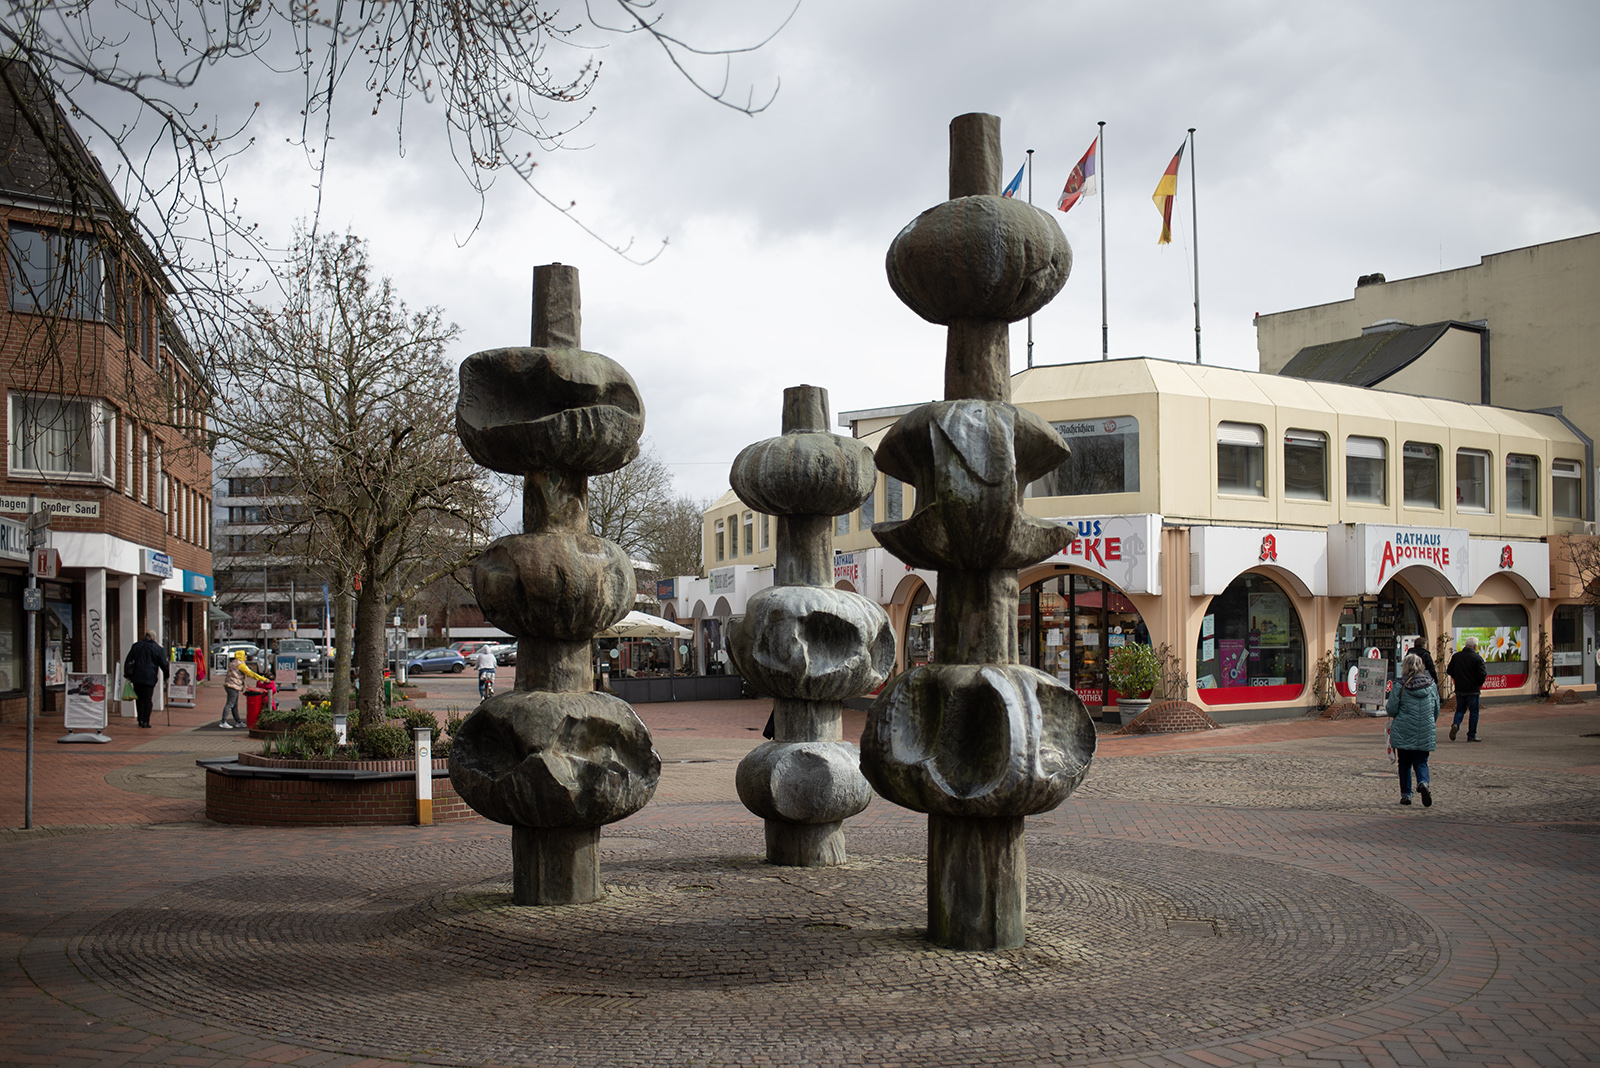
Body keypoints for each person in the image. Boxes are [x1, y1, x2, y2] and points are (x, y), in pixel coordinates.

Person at [1386, 652, 1439, 807]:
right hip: (1425, 728)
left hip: (1404, 729)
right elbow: (1436, 709)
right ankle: (1423, 783)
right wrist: (1429, 723)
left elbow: (1391, 709)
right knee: (1421, 761)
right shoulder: (1431, 684)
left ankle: (1406, 795)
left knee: (1404, 763)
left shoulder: (1400, 685)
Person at [122, 631, 169, 729]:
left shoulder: (136, 646)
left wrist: (127, 674)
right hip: (149, 677)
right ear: (153, 637)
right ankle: (146, 721)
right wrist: (166, 675)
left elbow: (128, 661)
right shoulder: (158, 649)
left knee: (139, 699)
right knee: (147, 699)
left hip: (137, 676)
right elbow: (163, 664)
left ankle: (140, 719)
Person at [1446, 635, 1489, 742]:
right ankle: (1471, 735)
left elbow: (1449, 670)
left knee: (1460, 709)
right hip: (1473, 690)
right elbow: (1482, 674)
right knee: (1474, 712)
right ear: (1474, 646)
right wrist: (1478, 684)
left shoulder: (1456, 656)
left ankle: (1456, 724)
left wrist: (1458, 678)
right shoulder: (1477, 658)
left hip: (1460, 688)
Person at [221, 648, 269, 729]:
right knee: (230, 704)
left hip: (230, 685)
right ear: (241, 656)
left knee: (234, 705)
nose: (246, 658)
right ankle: (223, 722)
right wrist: (263, 679)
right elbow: (250, 673)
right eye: (245, 656)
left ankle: (238, 722)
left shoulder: (233, 663)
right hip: (233, 686)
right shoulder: (240, 664)